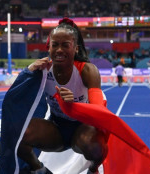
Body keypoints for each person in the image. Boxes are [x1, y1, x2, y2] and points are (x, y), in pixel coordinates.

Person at [17, 18, 108, 174]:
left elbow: (98, 110)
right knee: (17, 133)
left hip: (82, 129)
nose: (59, 50)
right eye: (55, 45)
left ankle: (93, 169)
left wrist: (73, 106)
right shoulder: (43, 69)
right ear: (49, 47)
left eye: (65, 45)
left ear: (76, 49)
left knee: (96, 147)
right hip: (56, 129)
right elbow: (16, 96)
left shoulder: (87, 71)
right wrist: (27, 72)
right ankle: (39, 169)